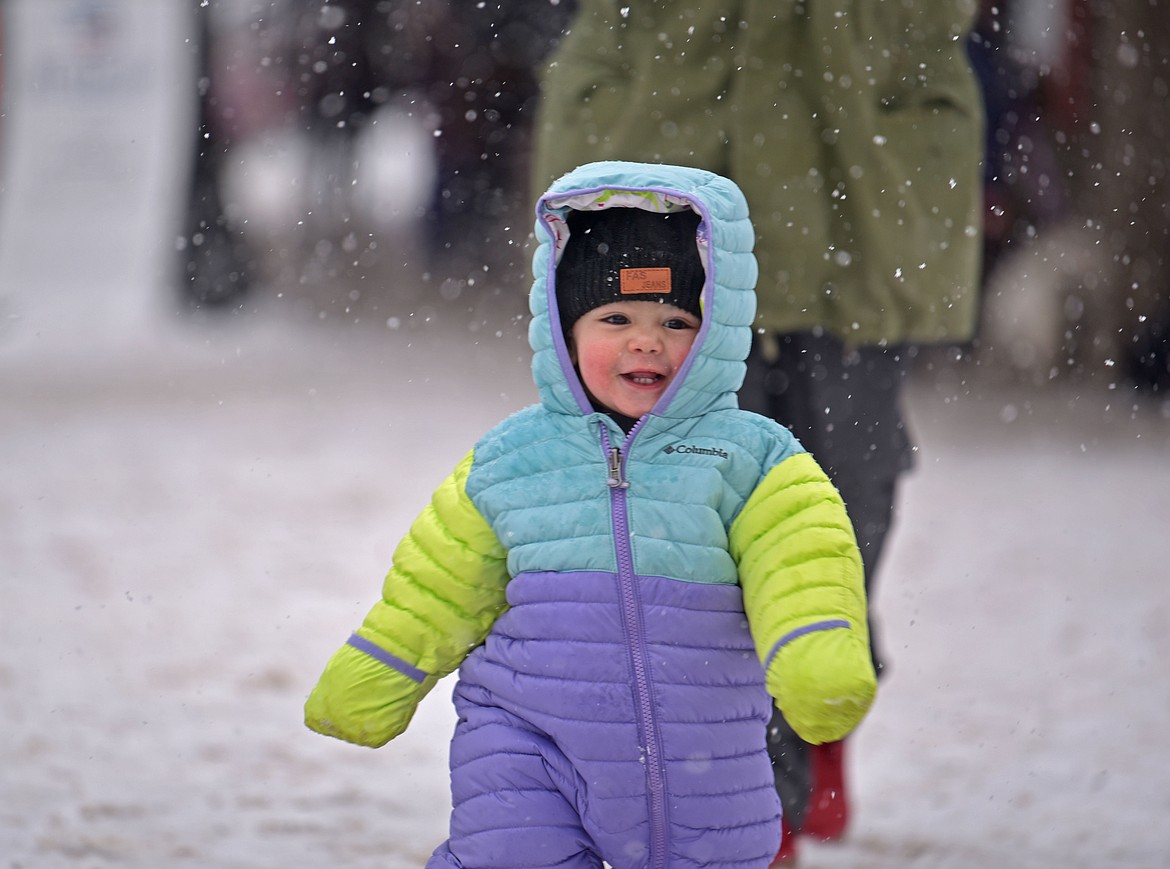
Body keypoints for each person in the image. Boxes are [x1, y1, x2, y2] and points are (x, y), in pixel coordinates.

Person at [304, 161, 877, 868]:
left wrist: (816, 655)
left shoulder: (751, 458)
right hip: (528, 740)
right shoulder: (512, 459)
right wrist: (380, 668)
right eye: (616, 318)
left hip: (703, 751)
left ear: (716, 335)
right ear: (565, 331)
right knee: (509, 855)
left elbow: (803, 563)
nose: (646, 341)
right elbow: (437, 585)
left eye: (676, 321)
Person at [529, 4, 985, 863]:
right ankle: (747, 785)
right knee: (688, 506)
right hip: (667, 173)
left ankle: (815, 702)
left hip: (863, 183)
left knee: (840, 493)